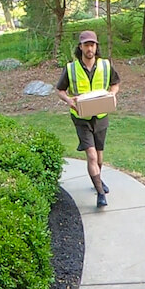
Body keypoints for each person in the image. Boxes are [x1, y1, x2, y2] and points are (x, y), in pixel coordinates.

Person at [56, 30, 120, 207]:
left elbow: (115, 84)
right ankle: (100, 194)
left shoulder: (105, 66)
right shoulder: (71, 68)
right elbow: (60, 90)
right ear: (81, 47)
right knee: (91, 156)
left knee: (99, 157)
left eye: (92, 44)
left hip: (101, 116)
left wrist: (112, 94)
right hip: (81, 117)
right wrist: (69, 100)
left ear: (96, 46)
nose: (89, 48)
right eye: (86, 45)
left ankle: (98, 180)